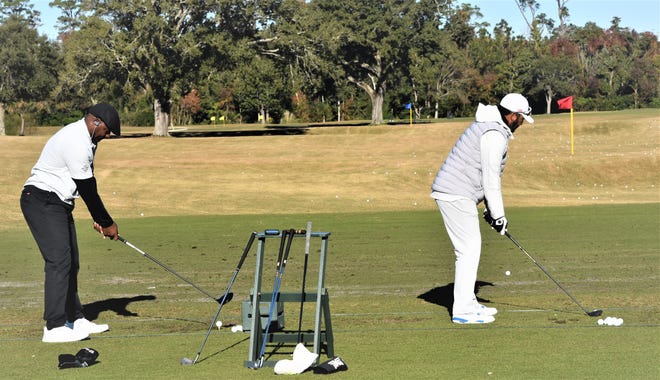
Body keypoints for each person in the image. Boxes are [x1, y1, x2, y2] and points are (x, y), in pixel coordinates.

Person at [20, 103, 121, 342]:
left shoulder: (86, 138)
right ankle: (54, 327)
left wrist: (100, 219)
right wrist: (105, 221)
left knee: (71, 261)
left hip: (58, 203)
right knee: (59, 261)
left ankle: (74, 319)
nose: (107, 136)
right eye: (107, 131)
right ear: (95, 121)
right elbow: (87, 188)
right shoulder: (76, 141)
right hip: (41, 200)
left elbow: (84, 183)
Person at [430, 93, 534, 324]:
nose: (522, 124)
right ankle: (463, 311)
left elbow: (483, 176)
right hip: (455, 193)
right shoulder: (494, 134)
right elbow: (490, 180)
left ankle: (468, 303)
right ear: (513, 116)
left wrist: (490, 210)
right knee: (468, 250)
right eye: (522, 119)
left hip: (458, 193)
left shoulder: (491, 127)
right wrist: (498, 216)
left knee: (471, 249)